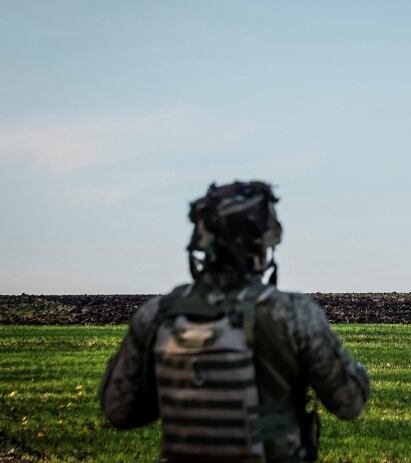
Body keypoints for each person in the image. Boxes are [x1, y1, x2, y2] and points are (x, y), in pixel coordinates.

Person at [100, 180, 370, 462]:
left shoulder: (156, 314)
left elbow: (118, 409)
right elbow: (349, 402)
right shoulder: (291, 313)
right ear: (262, 247)